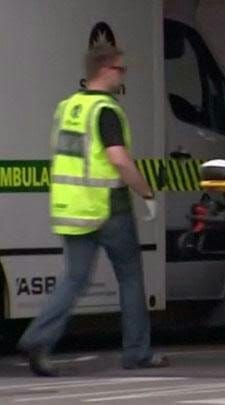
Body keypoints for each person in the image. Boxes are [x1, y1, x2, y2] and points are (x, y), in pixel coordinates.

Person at [17, 45, 168, 376]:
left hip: (72, 208)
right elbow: (118, 159)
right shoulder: (105, 110)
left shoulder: (67, 108)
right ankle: (137, 353)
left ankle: (39, 337)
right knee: (130, 277)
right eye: (120, 69)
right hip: (109, 208)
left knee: (74, 278)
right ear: (105, 69)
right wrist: (147, 193)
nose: (123, 76)